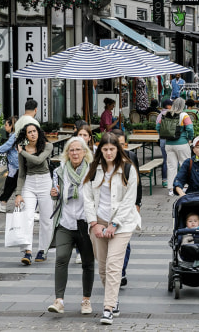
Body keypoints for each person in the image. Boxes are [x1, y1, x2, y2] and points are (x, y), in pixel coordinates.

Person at [82, 132, 142, 325]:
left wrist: (115, 224)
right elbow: (87, 198)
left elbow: (129, 200)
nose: (109, 153)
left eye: (112, 149)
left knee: (113, 265)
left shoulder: (127, 168)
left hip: (122, 223)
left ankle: (107, 308)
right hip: (98, 222)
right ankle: (114, 299)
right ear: (100, 150)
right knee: (102, 267)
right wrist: (94, 223)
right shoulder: (93, 169)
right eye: (105, 149)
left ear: (118, 149)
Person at [47, 136, 95, 316]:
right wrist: (54, 194)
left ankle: (86, 300)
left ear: (85, 152)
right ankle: (58, 300)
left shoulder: (92, 172)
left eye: (78, 150)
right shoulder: (59, 172)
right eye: (71, 150)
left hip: (85, 223)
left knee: (88, 263)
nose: (74, 153)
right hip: (65, 222)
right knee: (61, 258)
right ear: (67, 153)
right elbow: (56, 194)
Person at [13, 123, 54, 265]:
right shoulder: (23, 150)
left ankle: (43, 249)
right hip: (29, 183)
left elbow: (38, 160)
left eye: (34, 131)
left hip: (45, 182)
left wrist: (21, 152)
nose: (32, 134)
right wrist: (18, 193)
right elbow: (21, 174)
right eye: (29, 132)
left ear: (38, 132)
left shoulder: (47, 146)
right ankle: (27, 251)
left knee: (46, 219)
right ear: (26, 135)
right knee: (27, 217)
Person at [111, 130, 142, 289]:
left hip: (127, 206)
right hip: (109, 208)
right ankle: (112, 271)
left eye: (121, 145)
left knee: (125, 241)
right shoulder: (104, 159)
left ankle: (120, 271)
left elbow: (138, 183)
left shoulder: (131, 157)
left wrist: (138, 203)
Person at [157, 98, 195, 196]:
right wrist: (189, 138)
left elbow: (158, 127)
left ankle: (171, 189)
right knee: (185, 165)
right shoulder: (184, 115)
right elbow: (190, 128)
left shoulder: (165, 114)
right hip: (182, 143)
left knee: (171, 166)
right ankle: (185, 186)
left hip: (168, 144)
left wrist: (165, 136)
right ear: (183, 106)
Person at [0, 116, 19, 213]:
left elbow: (7, 146)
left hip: (15, 165)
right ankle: (2, 203)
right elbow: (7, 146)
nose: (4, 127)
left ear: (11, 126)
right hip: (14, 165)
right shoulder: (14, 135)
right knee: (10, 184)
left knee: (10, 184)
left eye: (6, 125)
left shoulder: (14, 136)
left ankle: (3, 204)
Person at [155, 99, 173, 188]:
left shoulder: (159, 115)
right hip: (171, 140)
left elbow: (157, 127)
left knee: (165, 160)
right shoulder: (173, 114)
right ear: (169, 106)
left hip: (162, 140)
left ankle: (164, 180)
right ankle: (174, 180)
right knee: (173, 160)